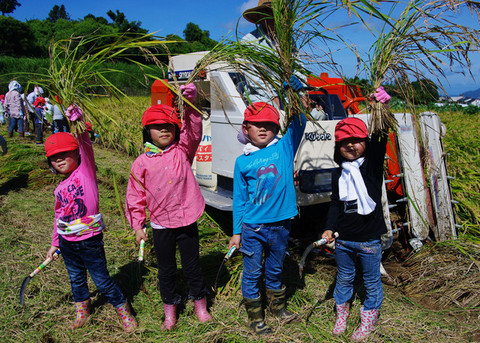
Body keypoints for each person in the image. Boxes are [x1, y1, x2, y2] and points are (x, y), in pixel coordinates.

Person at [125, 83, 212, 331]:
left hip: (187, 220)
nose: (163, 129)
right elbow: (135, 196)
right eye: (157, 126)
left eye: (168, 126)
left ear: (175, 128)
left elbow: (193, 131)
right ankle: (170, 311)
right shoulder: (141, 163)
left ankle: (200, 305)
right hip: (161, 224)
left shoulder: (183, 151)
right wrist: (138, 224)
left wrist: (191, 104)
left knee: (192, 266)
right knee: (166, 270)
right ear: (146, 131)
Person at [44, 105, 137, 332]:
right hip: (67, 242)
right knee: (76, 279)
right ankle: (82, 313)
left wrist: (79, 124)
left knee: (102, 280)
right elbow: (59, 217)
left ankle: (124, 311)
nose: (59, 160)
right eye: (54, 158)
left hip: (89, 240)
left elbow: (86, 147)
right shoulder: (59, 189)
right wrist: (55, 243)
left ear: (76, 153)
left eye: (64, 154)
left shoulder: (85, 172)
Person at [229, 79, 306, 335]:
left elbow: (300, 122)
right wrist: (237, 232)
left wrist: (293, 93)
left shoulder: (284, 147)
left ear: (276, 127)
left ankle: (278, 308)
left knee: (275, 268)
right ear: (246, 128)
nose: (263, 129)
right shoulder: (243, 161)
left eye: (269, 125)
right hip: (253, 227)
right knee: (252, 272)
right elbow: (239, 200)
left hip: (281, 225)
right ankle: (255, 316)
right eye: (256, 125)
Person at [321, 87, 391, 341]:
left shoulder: (371, 168)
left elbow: (381, 139)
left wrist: (380, 108)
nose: (351, 145)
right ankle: (342, 313)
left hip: (370, 240)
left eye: (357, 140)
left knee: (371, 282)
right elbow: (334, 204)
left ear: (365, 143)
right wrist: (329, 228)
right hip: (344, 240)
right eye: (344, 142)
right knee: (344, 278)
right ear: (338, 146)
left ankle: (368, 319)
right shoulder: (338, 173)